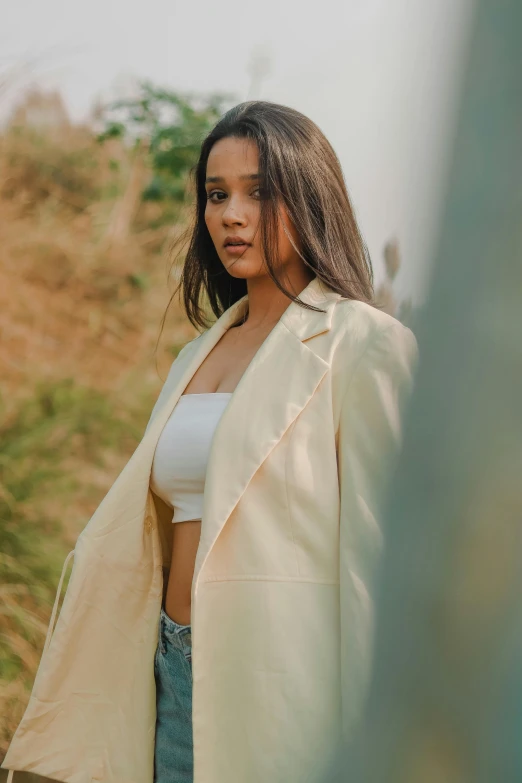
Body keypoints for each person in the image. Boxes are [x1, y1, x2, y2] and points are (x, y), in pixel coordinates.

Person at [2, 101, 418, 783]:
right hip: (170, 671)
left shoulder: (365, 346)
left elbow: (380, 562)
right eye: (216, 194)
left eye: (259, 192)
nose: (231, 213)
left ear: (310, 196)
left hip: (282, 690)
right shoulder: (201, 350)